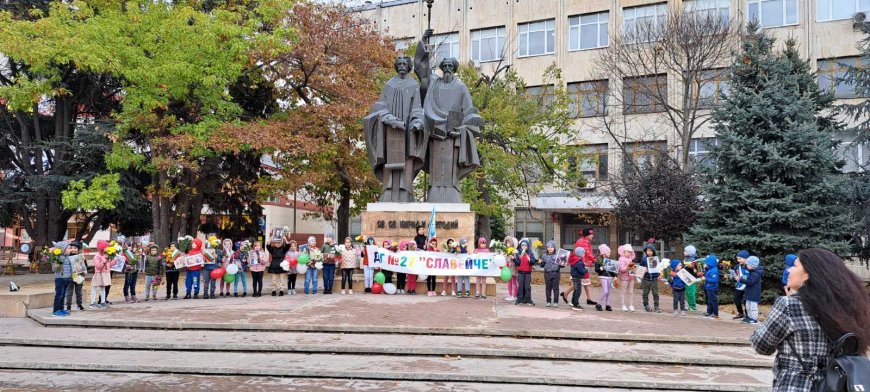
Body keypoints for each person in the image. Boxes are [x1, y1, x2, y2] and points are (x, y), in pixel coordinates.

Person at [751, 248, 870, 392]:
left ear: (808, 274)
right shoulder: (852, 307)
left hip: (797, 386)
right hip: (838, 385)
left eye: (795, 266)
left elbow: (761, 346)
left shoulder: (789, 305)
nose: (789, 271)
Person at [561, 228, 596, 306]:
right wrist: (595, 259)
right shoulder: (583, 242)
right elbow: (587, 254)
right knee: (578, 283)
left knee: (583, 283)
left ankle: (589, 299)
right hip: (581, 264)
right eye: (591, 234)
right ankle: (570, 297)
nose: (592, 236)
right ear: (587, 235)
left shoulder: (584, 240)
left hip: (582, 263)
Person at [51, 241, 74, 317]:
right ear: (62, 249)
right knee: (59, 295)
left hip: (67, 278)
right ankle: (56, 310)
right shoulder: (57, 258)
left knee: (63, 295)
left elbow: (70, 267)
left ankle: (61, 309)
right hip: (60, 278)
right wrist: (59, 262)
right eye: (68, 248)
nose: (69, 250)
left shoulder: (67, 257)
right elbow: (54, 269)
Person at [90, 240, 112, 308]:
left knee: (103, 287)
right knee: (95, 287)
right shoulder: (97, 256)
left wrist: (114, 261)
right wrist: (104, 261)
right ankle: (92, 302)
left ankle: (103, 301)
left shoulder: (106, 255)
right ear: (102, 248)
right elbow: (98, 266)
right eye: (106, 247)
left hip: (105, 273)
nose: (107, 248)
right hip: (99, 274)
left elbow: (109, 264)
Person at [65, 243, 87, 312]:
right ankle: (68, 306)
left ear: (78, 249)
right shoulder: (67, 257)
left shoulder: (81, 257)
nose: (73, 249)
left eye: (75, 248)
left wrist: (85, 270)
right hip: (70, 277)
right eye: (72, 248)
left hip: (79, 276)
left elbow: (85, 266)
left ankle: (79, 305)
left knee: (79, 291)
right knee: (69, 292)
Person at [640, 243, 661, 313]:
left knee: (655, 293)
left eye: (651, 250)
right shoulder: (644, 259)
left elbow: (659, 268)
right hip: (646, 279)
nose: (649, 252)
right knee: (645, 293)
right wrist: (644, 270)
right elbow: (640, 269)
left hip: (654, 279)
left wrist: (659, 275)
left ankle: (656, 306)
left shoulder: (656, 259)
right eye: (647, 250)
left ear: (653, 251)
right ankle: (646, 305)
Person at [595, 244, 617, 311]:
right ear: (604, 252)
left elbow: (612, 270)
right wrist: (601, 268)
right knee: (605, 291)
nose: (610, 253)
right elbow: (596, 269)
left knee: (608, 292)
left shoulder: (608, 260)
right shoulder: (599, 260)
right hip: (603, 276)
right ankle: (598, 303)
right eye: (608, 252)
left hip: (609, 277)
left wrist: (615, 275)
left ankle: (608, 305)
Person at [741, 256, 763, 324]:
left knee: (753, 306)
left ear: (752, 265)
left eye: (747, 264)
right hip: (749, 292)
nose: (746, 265)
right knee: (748, 305)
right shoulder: (751, 271)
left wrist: (742, 279)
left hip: (754, 293)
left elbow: (750, 282)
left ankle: (754, 318)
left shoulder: (755, 274)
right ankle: (750, 317)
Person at [515, 239, 536, 306]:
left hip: (527, 272)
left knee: (527, 286)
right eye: (522, 245)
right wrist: (514, 258)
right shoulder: (518, 253)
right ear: (520, 246)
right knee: (520, 285)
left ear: (527, 246)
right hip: (520, 272)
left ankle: (528, 298)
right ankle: (519, 298)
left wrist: (530, 259)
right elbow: (517, 263)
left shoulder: (530, 253)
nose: (524, 246)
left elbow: (533, 261)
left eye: (525, 245)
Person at [731, 250, 750, 320]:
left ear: (746, 258)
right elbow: (734, 273)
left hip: (747, 287)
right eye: (737, 259)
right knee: (737, 300)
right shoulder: (737, 266)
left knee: (746, 302)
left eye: (740, 259)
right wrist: (733, 275)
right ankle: (740, 313)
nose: (738, 260)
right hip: (739, 286)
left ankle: (748, 315)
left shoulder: (749, 266)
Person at [541, 241, 561, 307]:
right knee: (548, 288)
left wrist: (563, 263)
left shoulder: (558, 255)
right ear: (546, 248)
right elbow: (542, 265)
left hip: (556, 273)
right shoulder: (544, 255)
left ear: (554, 248)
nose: (550, 248)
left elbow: (561, 265)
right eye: (548, 247)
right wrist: (540, 262)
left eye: (551, 247)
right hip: (547, 273)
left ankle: (556, 301)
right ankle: (548, 301)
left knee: (556, 288)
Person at [617, 244, 636, 312]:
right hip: (624, 277)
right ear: (624, 251)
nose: (629, 253)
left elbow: (632, 267)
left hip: (631, 277)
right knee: (623, 291)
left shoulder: (630, 258)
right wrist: (628, 267)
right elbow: (621, 269)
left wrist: (634, 270)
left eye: (630, 252)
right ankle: (623, 305)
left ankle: (631, 305)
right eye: (628, 252)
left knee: (631, 292)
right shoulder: (621, 259)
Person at [701, 254, 720, 319]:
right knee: (709, 300)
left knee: (713, 300)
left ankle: (715, 313)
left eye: (705, 263)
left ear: (710, 263)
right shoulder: (709, 269)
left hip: (712, 288)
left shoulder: (714, 270)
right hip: (709, 287)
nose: (704, 264)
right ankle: (709, 312)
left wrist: (705, 279)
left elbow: (714, 280)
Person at [683, 245, 700, 311]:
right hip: (686, 277)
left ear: (690, 252)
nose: (684, 252)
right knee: (687, 292)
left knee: (691, 292)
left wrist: (693, 268)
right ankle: (689, 305)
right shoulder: (686, 258)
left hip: (692, 278)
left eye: (685, 251)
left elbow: (698, 270)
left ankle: (693, 306)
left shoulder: (695, 260)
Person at [504, 236, 518, 302]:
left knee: (514, 282)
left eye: (509, 242)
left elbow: (516, 259)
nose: (508, 244)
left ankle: (514, 295)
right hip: (507, 267)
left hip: (513, 267)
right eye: (507, 242)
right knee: (509, 282)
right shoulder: (506, 250)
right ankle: (510, 294)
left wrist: (512, 257)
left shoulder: (515, 250)